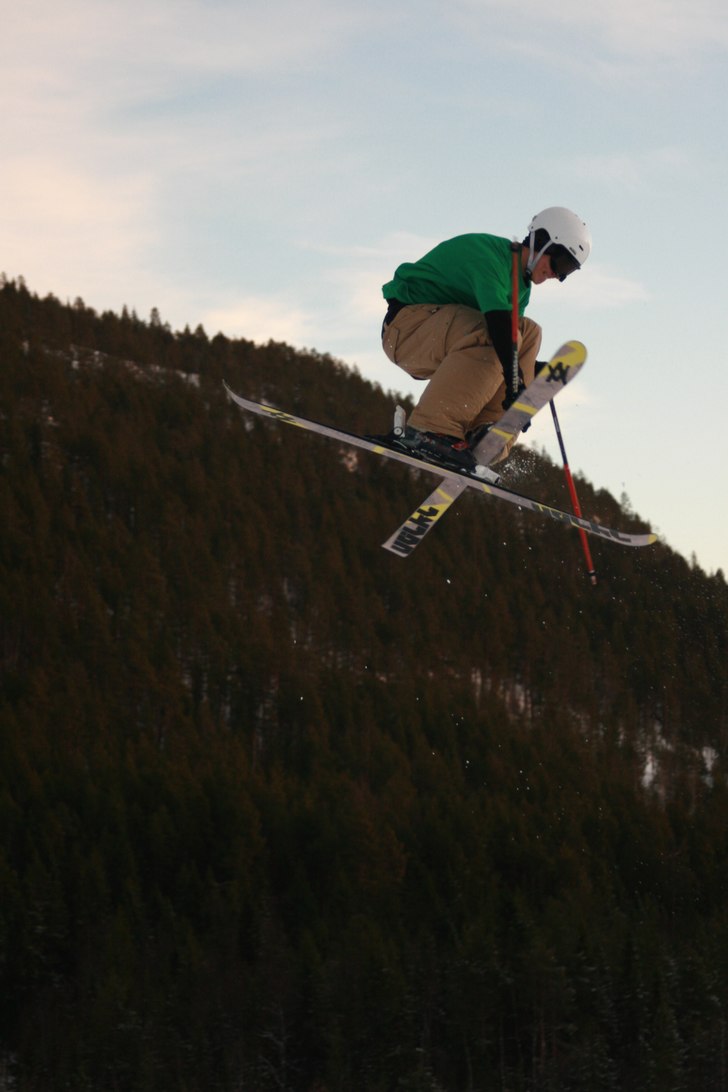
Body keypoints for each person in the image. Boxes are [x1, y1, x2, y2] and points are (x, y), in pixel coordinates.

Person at [380, 207, 591, 470]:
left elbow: (509, 346)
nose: (558, 276)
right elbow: (499, 329)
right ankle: (430, 429)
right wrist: (517, 379)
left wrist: (531, 375)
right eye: (561, 264)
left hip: (441, 338)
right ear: (543, 240)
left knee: (528, 332)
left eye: (567, 272)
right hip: (406, 329)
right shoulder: (490, 257)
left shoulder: (521, 288)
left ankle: (483, 433)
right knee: (502, 332)